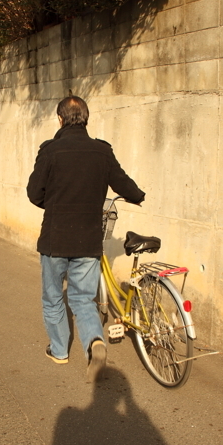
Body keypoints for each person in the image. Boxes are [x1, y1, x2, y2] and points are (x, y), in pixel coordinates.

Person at [26, 96, 145, 382]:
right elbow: (124, 183)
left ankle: (59, 351)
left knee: (54, 297)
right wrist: (137, 196)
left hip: (55, 240)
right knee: (83, 299)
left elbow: (34, 193)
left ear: (60, 119)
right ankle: (94, 342)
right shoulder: (101, 151)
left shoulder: (50, 150)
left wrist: (53, 203)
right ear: (86, 119)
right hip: (88, 240)